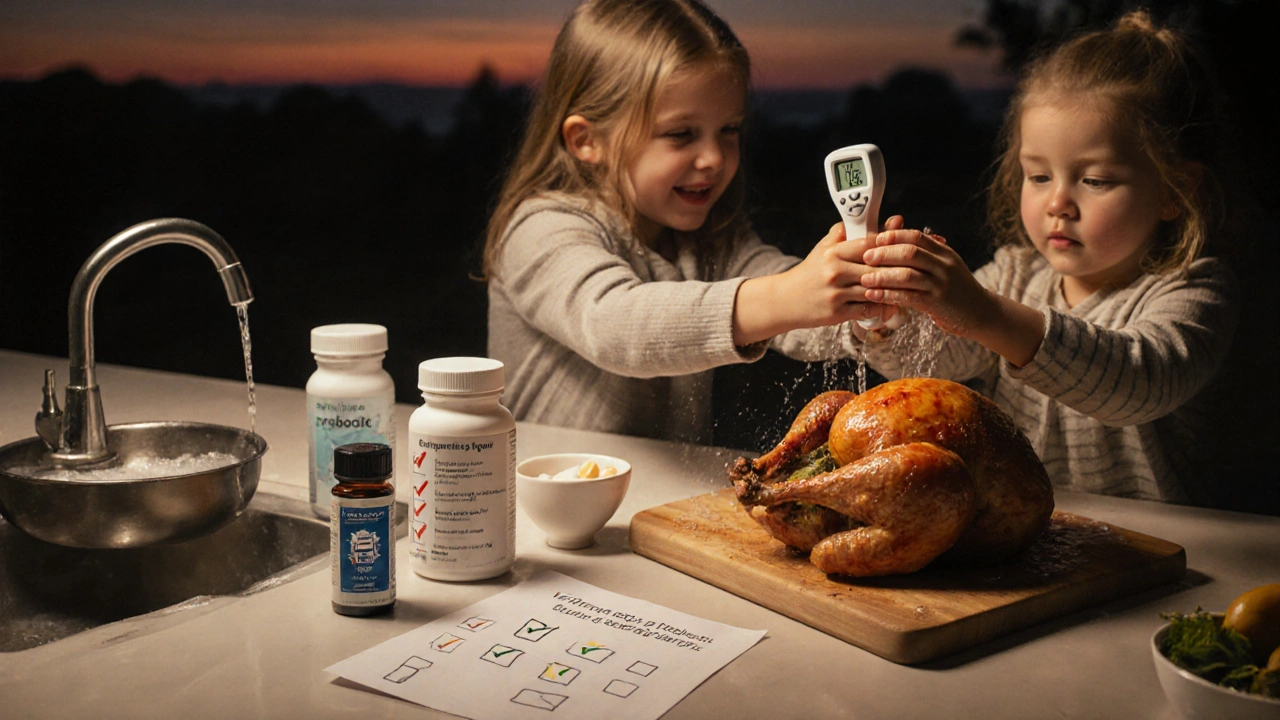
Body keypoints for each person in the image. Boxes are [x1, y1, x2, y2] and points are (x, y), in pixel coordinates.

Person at [856, 11, 1243, 505]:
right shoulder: (1016, 274)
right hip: (1034, 539)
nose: (1058, 202)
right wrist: (897, 318)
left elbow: (1138, 383)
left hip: (1171, 551)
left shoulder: (1197, 290)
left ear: (1174, 190)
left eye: (1095, 180)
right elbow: (941, 360)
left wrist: (983, 311)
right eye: (1039, 177)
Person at [483, 0, 885, 443]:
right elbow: (613, 324)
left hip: (657, 506)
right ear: (587, 140)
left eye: (729, 129)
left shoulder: (714, 241)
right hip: (536, 507)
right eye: (681, 134)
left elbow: (795, 300)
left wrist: (868, 307)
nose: (714, 158)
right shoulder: (538, 228)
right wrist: (790, 295)